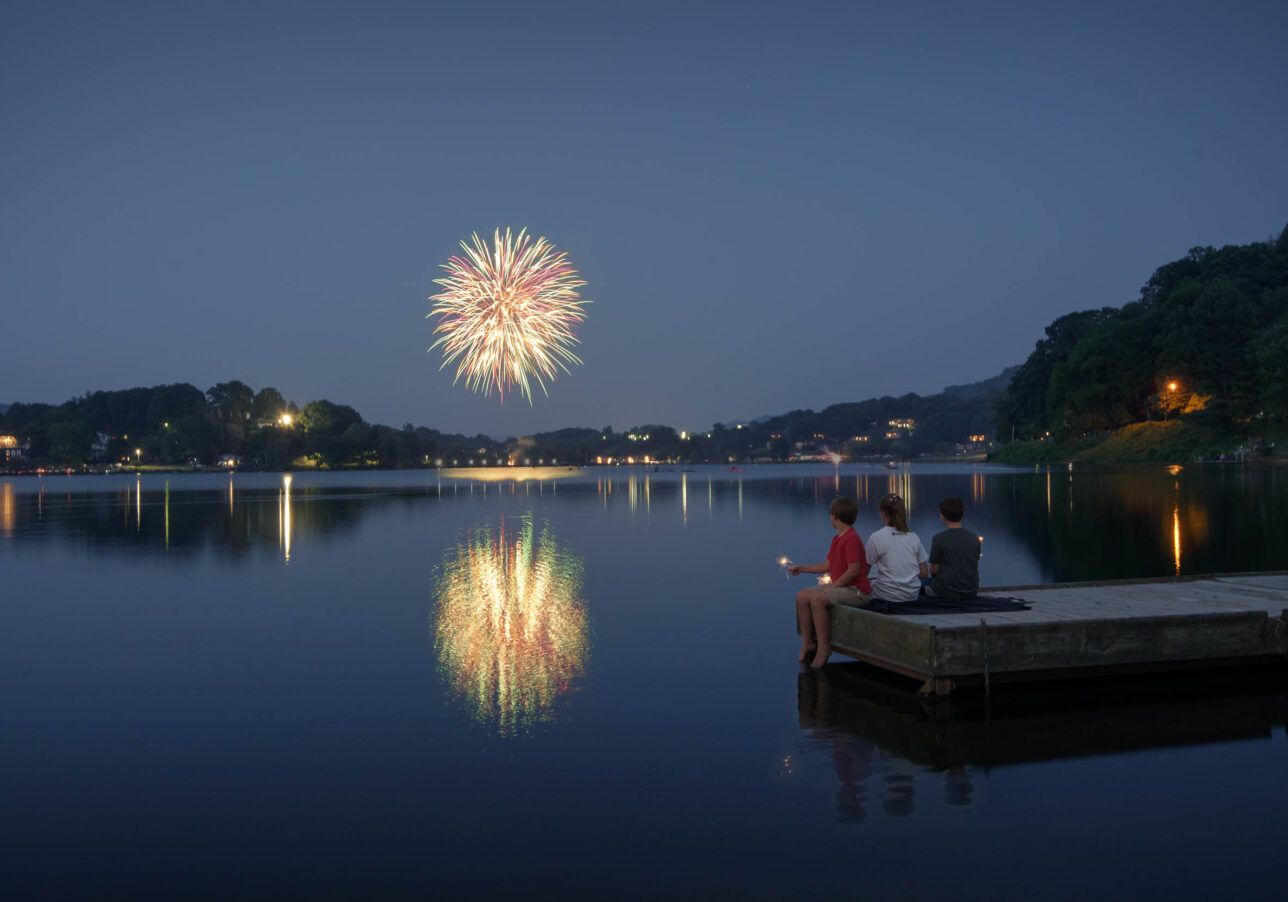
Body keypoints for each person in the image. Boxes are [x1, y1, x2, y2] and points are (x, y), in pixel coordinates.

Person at [789, 496, 872, 669]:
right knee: (802, 596)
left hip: (856, 590)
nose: (830, 518)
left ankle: (824, 648)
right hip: (841, 586)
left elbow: (853, 570)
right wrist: (801, 568)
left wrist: (833, 587)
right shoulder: (837, 539)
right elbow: (826, 565)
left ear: (835, 517)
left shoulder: (851, 539)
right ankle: (808, 642)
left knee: (818, 600)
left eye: (831, 515)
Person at [866, 493, 928, 601]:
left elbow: (864, 572)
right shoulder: (914, 537)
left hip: (886, 595)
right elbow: (924, 573)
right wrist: (906, 579)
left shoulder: (876, 537)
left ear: (882, 513)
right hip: (912, 595)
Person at [924, 496, 981, 600]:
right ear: (962, 514)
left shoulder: (939, 538)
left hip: (944, 591)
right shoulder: (974, 538)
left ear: (942, 516)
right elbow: (973, 564)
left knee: (921, 583)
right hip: (971, 591)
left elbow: (933, 571)